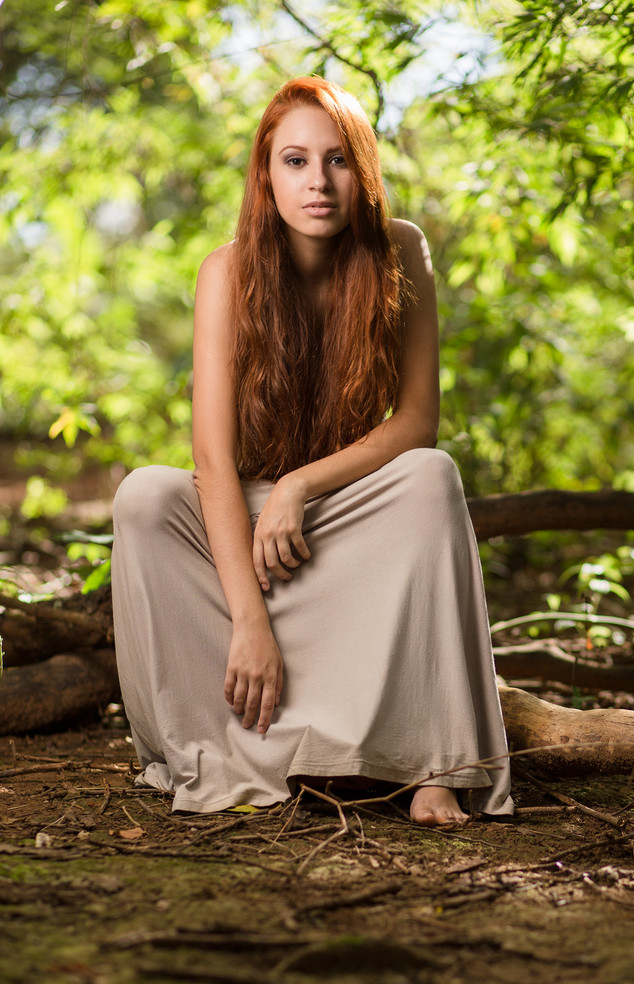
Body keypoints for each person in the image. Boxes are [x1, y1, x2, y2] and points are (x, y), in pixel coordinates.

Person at [111, 76, 512, 827]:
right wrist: (249, 621)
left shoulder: (402, 252)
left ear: (362, 170)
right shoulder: (226, 273)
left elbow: (417, 420)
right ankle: (218, 744)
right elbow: (212, 460)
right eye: (294, 161)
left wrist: (299, 485)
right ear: (266, 173)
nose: (317, 182)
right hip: (244, 531)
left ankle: (434, 763)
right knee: (145, 496)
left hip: (342, 516)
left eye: (336, 160)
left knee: (431, 476)